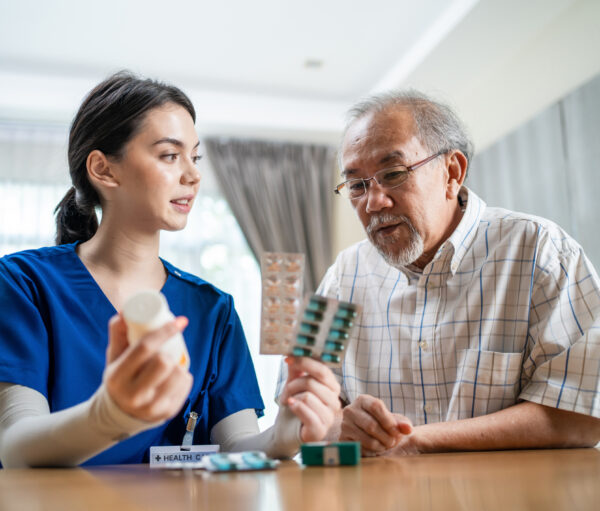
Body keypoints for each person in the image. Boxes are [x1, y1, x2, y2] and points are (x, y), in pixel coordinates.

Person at [0, 72, 340, 468]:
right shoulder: (23, 283)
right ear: (104, 170)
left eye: (194, 157)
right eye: (169, 155)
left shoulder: (213, 310)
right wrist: (109, 416)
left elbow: (233, 447)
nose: (193, 176)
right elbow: (15, 445)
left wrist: (281, 438)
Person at [278, 90, 600, 455]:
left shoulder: (540, 251)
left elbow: (581, 416)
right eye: (356, 185)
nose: (373, 202)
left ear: (452, 172)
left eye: (393, 174)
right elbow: (297, 408)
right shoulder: (343, 277)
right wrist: (338, 423)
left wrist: (416, 439)